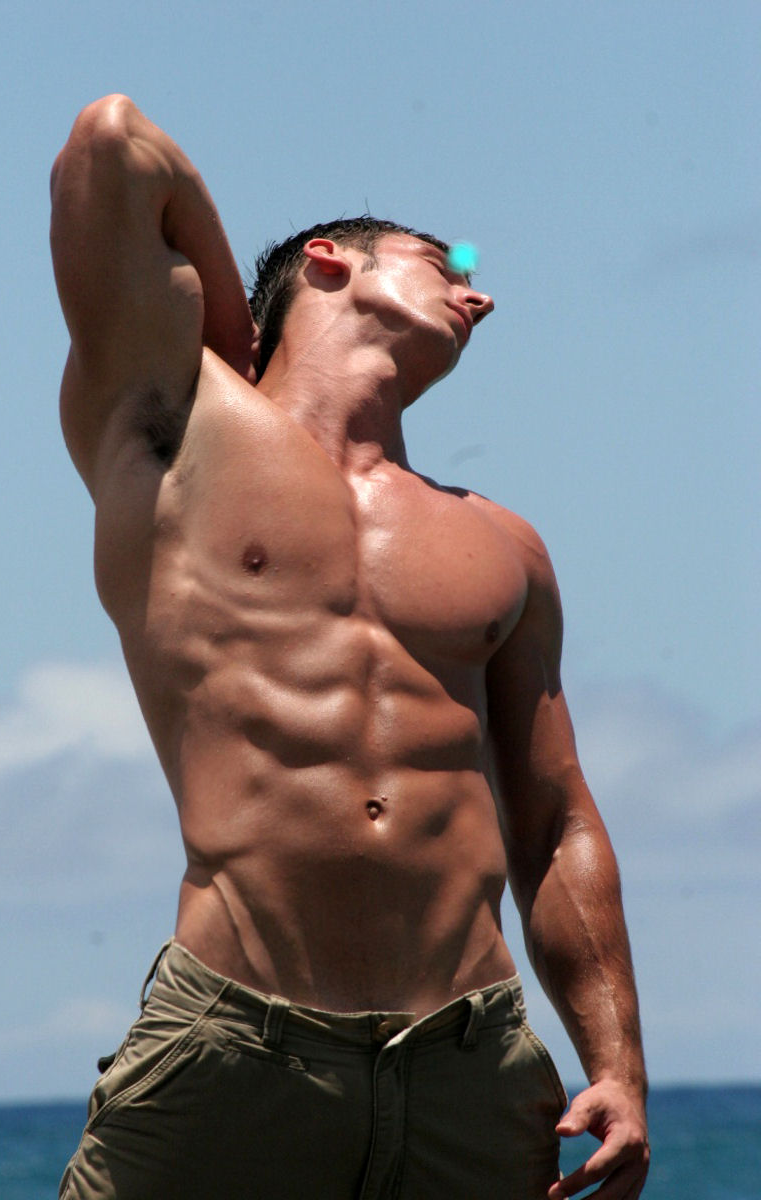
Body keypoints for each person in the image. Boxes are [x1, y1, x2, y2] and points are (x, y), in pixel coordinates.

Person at [51, 94, 649, 1200]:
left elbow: (555, 818)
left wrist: (616, 1064)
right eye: (448, 261)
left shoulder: (501, 542)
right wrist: (238, 345)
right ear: (329, 260)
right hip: (235, 1046)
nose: (479, 291)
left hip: (470, 1068)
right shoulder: (174, 428)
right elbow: (112, 139)